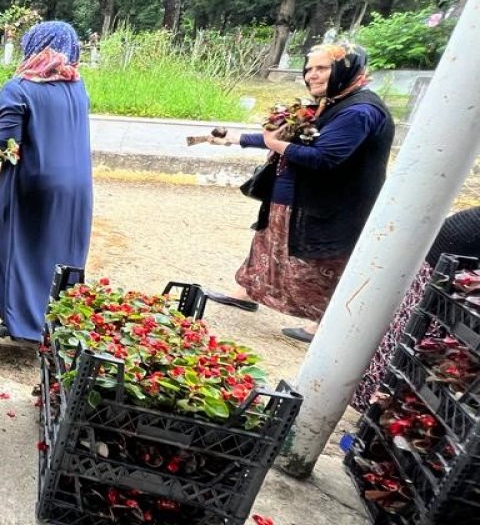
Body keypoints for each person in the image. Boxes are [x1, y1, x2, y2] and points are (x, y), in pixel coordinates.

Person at [205, 43, 395, 343]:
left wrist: (273, 144)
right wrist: (234, 139)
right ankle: (246, 291)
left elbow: (324, 157)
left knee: (321, 263)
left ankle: (325, 323)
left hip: (332, 206)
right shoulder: (331, 102)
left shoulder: (359, 111)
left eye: (322, 68)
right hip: (293, 198)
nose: (312, 76)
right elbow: (287, 137)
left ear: (347, 69)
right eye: (309, 69)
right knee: (268, 246)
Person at [0, 21, 93, 342]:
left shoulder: (19, 87)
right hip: (77, 187)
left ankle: (19, 321)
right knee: (60, 254)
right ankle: (54, 326)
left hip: (34, 183)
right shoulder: (76, 85)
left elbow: (6, 146)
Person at [352, 206, 480, 410]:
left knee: (410, 329)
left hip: (446, 256)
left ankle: (376, 396)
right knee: (422, 337)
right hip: (453, 262)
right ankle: (379, 399)